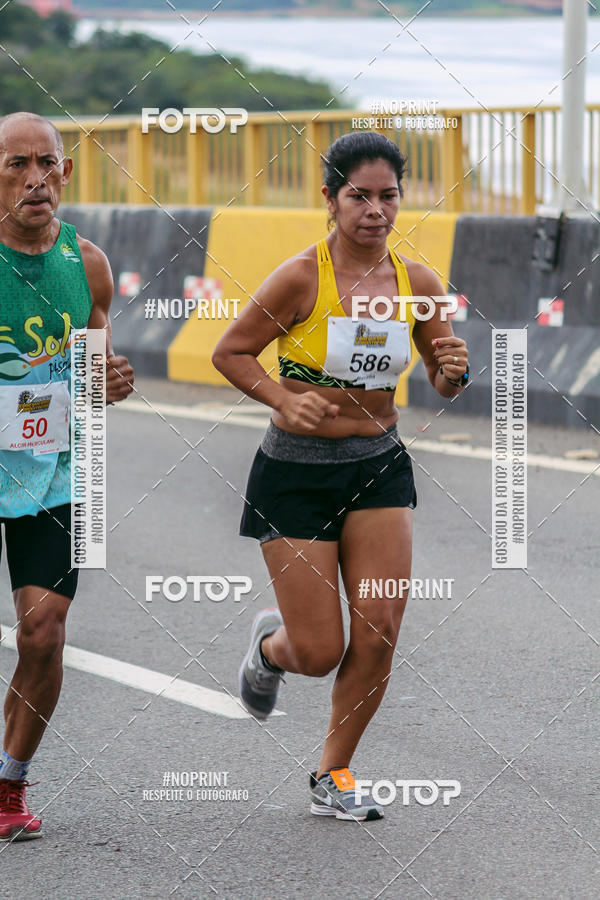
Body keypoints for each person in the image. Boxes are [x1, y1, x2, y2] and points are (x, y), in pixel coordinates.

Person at [212, 131, 469, 821]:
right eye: (359, 195)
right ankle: (273, 649)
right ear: (329, 199)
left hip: (377, 465)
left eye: (388, 196)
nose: (375, 210)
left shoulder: (418, 284)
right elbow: (231, 352)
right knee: (320, 649)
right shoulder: (301, 276)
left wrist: (451, 372)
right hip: (295, 473)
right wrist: (283, 398)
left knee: (381, 627)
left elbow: (446, 377)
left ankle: (334, 773)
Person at [0, 112, 134, 841]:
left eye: (47, 164)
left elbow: (92, 372)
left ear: (67, 172)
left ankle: (8, 785)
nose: (35, 180)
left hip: (51, 472)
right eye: (17, 165)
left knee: (44, 634)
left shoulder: (88, 265)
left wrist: (107, 379)